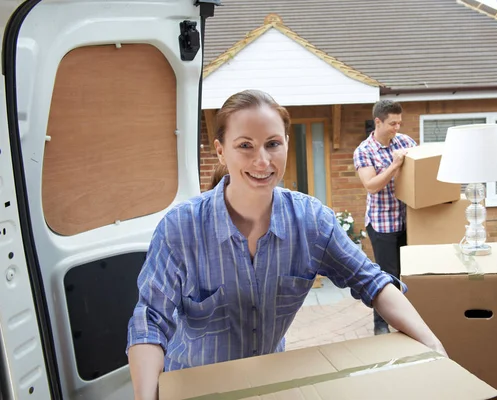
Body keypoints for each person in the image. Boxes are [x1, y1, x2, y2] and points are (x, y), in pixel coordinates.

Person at [126, 90, 445, 400]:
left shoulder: (311, 221)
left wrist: (434, 345)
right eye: (245, 146)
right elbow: (150, 319)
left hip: (270, 383)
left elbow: (372, 282)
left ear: (287, 145)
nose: (262, 160)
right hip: (195, 386)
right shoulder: (181, 227)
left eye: (272, 144)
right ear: (221, 151)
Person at [353, 100, 418, 336]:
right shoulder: (364, 151)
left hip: (408, 221)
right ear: (378, 122)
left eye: (400, 123)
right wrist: (394, 165)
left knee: (407, 273)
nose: (397, 128)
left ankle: (406, 321)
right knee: (386, 277)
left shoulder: (406, 142)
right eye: (392, 123)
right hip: (382, 224)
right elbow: (371, 185)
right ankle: (380, 324)